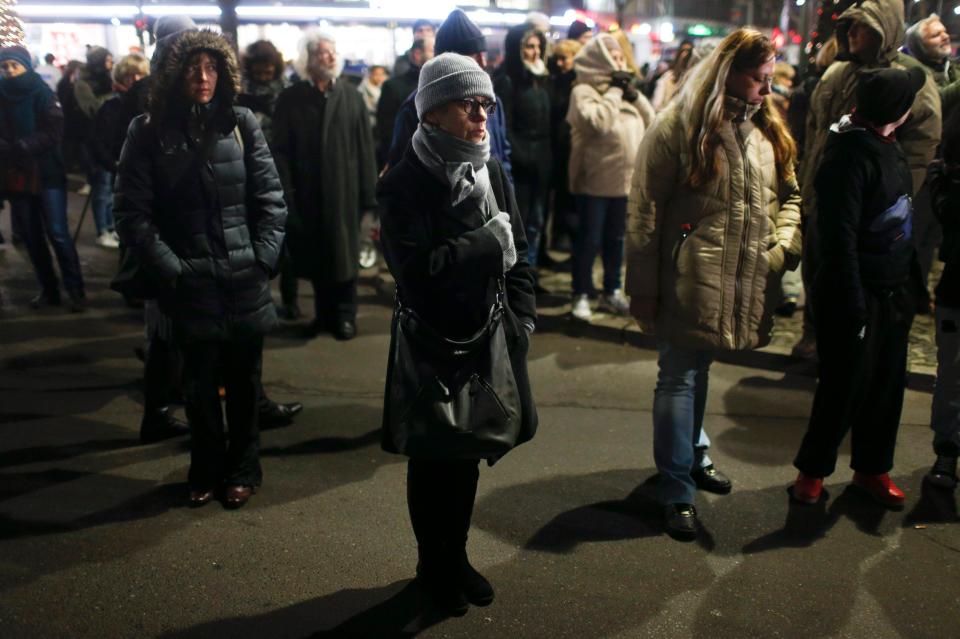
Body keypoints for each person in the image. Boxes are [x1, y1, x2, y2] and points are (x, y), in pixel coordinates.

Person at [625, 29, 802, 541]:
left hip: (739, 277)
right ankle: (677, 485)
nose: (768, 90)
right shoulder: (678, 127)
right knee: (678, 373)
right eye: (759, 79)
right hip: (689, 276)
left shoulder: (768, 127)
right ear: (729, 73)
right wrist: (643, 287)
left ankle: (693, 456)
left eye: (771, 79)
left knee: (698, 366)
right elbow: (644, 214)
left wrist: (781, 249)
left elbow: (791, 197)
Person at [378, 52, 537, 615]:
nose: (482, 116)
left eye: (487, 105)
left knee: (469, 452)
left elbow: (520, 252)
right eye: (470, 104)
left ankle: (458, 555)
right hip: (431, 341)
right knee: (433, 455)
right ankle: (432, 563)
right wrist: (487, 244)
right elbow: (418, 275)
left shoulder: (491, 169)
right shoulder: (404, 182)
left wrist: (523, 320)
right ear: (435, 110)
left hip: (488, 336)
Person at [114, 30, 287, 508]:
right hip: (189, 286)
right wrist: (174, 269)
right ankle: (206, 466)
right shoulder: (147, 131)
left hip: (242, 278)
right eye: (193, 67)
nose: (203, 77)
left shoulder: (241, 123)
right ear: (172, 74)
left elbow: (271, 199)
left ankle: (244, 468)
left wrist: (262, 258)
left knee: (246, 384)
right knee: (199, 387)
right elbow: (131, 213)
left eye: (212, 67)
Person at [792, 68, 926, 509]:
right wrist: (853, 306)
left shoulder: (890, 147)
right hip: (856, 294)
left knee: (887, 387)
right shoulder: (848, 156)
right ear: (898, 112)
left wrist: (910, 288)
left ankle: (872, 467)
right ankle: (811, 473)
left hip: (892, 291)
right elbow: (837, 239)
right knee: (842, 387)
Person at [793, 0, 941, 360]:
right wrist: (806, 185)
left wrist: (893, 197)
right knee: (818, 269)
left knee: (858, 279)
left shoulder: (909, 80)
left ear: (883, 31)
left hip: (873, 210)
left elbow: (921, 146)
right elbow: (814, 134)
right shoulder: (836, 73)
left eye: (863, 27)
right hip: (823, 195)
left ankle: (856, 353)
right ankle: (815, 336)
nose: (853, 34)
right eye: (851, 27)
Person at [272, 31, 378, 340]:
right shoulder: (291, 98)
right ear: (309, 59)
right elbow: (280, 150)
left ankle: (345, 317)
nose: (330, 57)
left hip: (345, 193)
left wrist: (369, 195)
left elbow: (365, 148)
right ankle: (323, 315)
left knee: (344, 257)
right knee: (318, 257)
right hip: (307, 194)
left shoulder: (351, 96)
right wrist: (286, 193)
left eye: (332, 52)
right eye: (322, 53)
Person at [568, 34, 654, 321]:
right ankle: (580, 293)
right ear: (599, 59)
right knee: (590, 240)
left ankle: (611, 291)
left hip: (625, 183)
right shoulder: (584, 90)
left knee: (616, 241)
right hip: (595, 182)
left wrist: (634, 95)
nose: (620, 61)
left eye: (621, 57)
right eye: (613, 57)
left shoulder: (623, 90)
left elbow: (652, 122)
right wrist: (616, 92)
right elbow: (598, 123)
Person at [0, 44, 86, 312]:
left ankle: (75, 290)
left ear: (26, 65)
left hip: (47, 173)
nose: (10, 70)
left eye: (14, 65)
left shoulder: (42, 92)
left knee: (58, 233)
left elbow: (53, 131)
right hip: (17, 175)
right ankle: (49, 289)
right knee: (32, 236)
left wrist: (23, 145)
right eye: (5, 66)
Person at [385, 9, 512, 181]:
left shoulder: (492, 102)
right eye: (474, 57)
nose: (482, 63)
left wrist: (505, 192)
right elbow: (401, 170)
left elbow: (502, 155)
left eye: (483, 55)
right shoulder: (418, 108)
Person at [922, 107, 960, 489]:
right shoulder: (947, 169)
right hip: (957, 285)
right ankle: (947, 451)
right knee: (952, 375)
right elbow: (949, 214)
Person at [494, 24, 551, 277]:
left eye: (538, 46)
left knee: (536, 222)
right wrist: (521, 156)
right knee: (520, 223)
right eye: (529, 46)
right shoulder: (507, 80)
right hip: (520, 163)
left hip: (540, 161)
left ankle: (531, 272)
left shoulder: (541, 79)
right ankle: (517, 276)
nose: (535, 52)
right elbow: (505, 125)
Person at [75, 46, 119, 247]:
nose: (110, 65)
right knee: (102, 188)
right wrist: (113, 98)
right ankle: (102, 230)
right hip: (92, 141)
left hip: (109, 139)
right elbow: (92, 109)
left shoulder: (107, 81)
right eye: (107, 61)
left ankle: (111, 227)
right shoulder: (83, 84)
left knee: (111, 188)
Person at [547, 38, 582, 253]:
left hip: (572, 147)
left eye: (565, 58)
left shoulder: (578, 84)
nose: (560, 63)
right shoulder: (554, 81)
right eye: (557, 58)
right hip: (557, 147)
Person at [377, 39, 433, 167]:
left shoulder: (438, 86)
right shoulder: (393, 87)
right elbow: (387, 134)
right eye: (432, 50)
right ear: (417, 54)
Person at [651, 39, 693, 112]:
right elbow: (656, 105)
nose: (685, 55)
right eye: (683, 51)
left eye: (688, 52)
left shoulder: (695, 79)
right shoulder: (667, 77)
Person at [359, 64, 387, 130]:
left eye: (382, 74)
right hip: (368, 123)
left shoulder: (383, 87)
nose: (380, 77)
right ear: (370, 74)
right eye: (376, 74)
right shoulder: (361, 90)